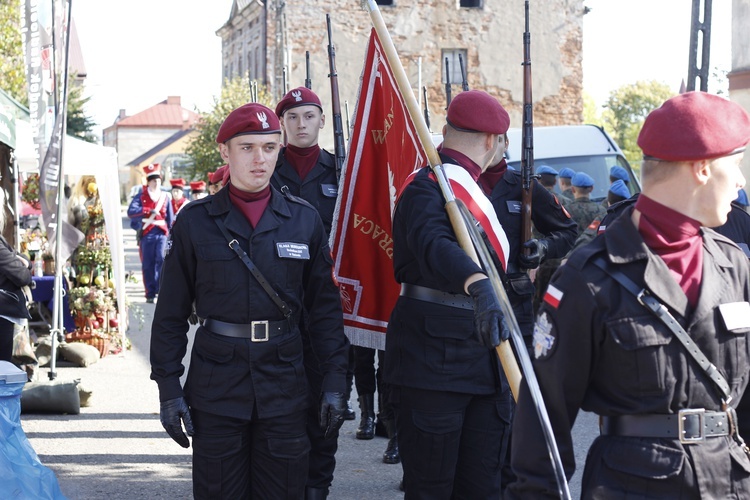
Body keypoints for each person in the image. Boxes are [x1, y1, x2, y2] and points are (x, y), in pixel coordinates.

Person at [506, 91, 750, 498]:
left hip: (729, 484)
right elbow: (545, 416)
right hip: (635, 484)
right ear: (703, 168)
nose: (741, 181)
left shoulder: (734, 265)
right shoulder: (587, 277)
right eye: (736, 165)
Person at [150, 102, 350, 499]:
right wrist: (169, 389)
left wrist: (334, 380)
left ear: (279, 148)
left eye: (269, 147)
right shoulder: (194, 221)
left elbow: (324, 312)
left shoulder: (303, 219)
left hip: (285, 385)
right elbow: (170, 314)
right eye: (247, 148)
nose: (259, 159)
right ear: (225, 151)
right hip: (217, 387)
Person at [385, 89, 514, 498]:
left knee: (483, 485)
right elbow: (433, 243)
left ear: (445, 131)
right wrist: (477, 283)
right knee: (432, 486)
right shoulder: (428, 186)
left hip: (484, 352)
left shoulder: (471, 190)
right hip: (432, 359)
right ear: (493, 142)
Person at [271, 86, 358, 498]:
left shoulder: (345, 171)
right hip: (279, 305)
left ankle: (316, 488)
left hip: (330, 306)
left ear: (323, 120)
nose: (301, 125)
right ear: (282, 123)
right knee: (283, 410)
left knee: (328, 406)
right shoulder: (266, 169)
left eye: (308, 116)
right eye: (292, 118)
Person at [127, 163, 174, 303]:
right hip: (147, 233)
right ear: (148, 182)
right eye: (154, 180)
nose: (157, 183)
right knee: (148, 263)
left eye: (158, 180)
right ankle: (150, 293)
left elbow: (170, 219)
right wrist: (147, 210)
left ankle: (161, 290)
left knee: (161, 260)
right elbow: (131, 212)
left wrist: (173, 235)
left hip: (161, 233)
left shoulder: (165, 197)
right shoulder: (141, 196)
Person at [0, 188, 32, 362]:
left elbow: (20, 258)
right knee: (5, 373)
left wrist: (24, 262)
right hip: (3, 313)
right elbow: (22, 276)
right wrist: (24, 265)